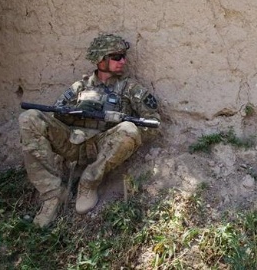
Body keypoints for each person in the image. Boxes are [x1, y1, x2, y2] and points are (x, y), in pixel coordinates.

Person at [19, 34, 161, 227]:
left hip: (103, 146)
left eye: (123, 56)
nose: (123, 61)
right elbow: (55, 117)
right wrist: (70, 115)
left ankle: (88, 182)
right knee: (30, 118)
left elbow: (153, 123)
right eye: (116, 56)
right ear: (100, 59)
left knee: (129, 129)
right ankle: (52, 194)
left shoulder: (130, 88)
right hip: (73, 143)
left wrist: (120, 127)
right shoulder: (80, 87)